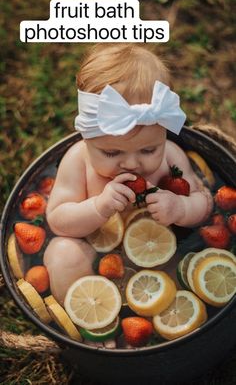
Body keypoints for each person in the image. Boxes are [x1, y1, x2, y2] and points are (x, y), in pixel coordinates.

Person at [44, 43, 213, 305]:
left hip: (157, 250)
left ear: (164, 132)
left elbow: (205, 204)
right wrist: (98, 207)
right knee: (62, 253)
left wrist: (180, 207)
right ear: (86, 138)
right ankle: (95, 325)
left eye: (148, 149)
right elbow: (57, 220)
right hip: (92, 252)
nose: (132, 164)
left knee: (187, 270)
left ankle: (162, 330)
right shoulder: (78, 160)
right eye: (112, 154)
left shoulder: (171, 156)